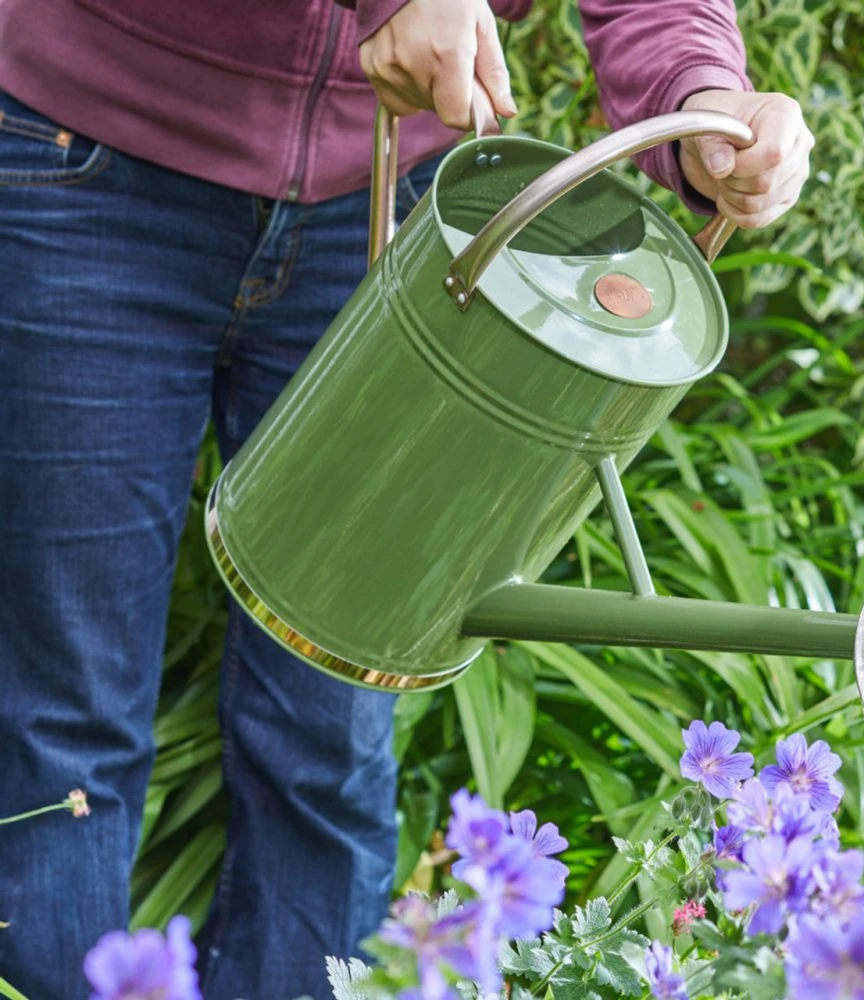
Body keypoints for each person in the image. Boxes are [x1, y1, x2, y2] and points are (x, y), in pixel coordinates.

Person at [0, 0, 813, 995]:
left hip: (390, 203)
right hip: (97, 155)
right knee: (65, 727)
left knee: (333, 719)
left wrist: (701, 95)